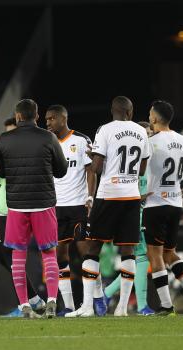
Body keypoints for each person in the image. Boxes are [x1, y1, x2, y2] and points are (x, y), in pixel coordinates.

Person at [67, 96, 150, 318]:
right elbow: (141, 170)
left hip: (108, 196)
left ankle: (86, 306)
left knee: (93, 248)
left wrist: (92, 155)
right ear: (130, 112)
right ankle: (122, 308)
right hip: (132, 197)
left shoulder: (104, 130)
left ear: (112, 111)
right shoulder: (142, 132)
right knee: (128, 251)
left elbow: (96, 167)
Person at [0, 99, 67, 319]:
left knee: (18, 256)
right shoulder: (49, 137)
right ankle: (52, 301)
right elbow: (62, 170)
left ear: (17, 117)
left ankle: (25, 306)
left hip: (16, 205)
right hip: (44, 203)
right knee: (49, 253)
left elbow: (1, 172)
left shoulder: (4, 139)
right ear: (36, 116)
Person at [141, 101, 183, 315]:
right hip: (175, 205)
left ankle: (166, 305)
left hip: (155, 204)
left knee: (156, 255)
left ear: (154, 118)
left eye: (150, 114)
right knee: (170, 253)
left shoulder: (150, 142)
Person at [0, 119, 46, 317]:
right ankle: (33, 300)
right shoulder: (8, 150)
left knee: (13, 258)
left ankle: (26, 305)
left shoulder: (18, 154)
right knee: (7, 259)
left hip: (14, 208)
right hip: (4, 208)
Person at [44, 105, 100, 316]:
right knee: (59, 254)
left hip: (78, 204)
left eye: (51, 119)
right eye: (46, 119)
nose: (47, 123)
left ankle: (93, 302)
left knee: (86, 251)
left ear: (62, 119)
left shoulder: (81, 140)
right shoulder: (46, 143)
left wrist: (90, 196)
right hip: (55, 206)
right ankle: (68, 306)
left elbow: (91, 170)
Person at [102, 121, 155, 315]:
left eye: (151, 133)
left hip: (146, 209)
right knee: (141, 257)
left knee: (142, 257)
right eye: (146, 133)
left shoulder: (148, 155)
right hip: (135, 209)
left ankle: (107, 293)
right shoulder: (135, 155)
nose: (149, 136)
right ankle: (142, 306)